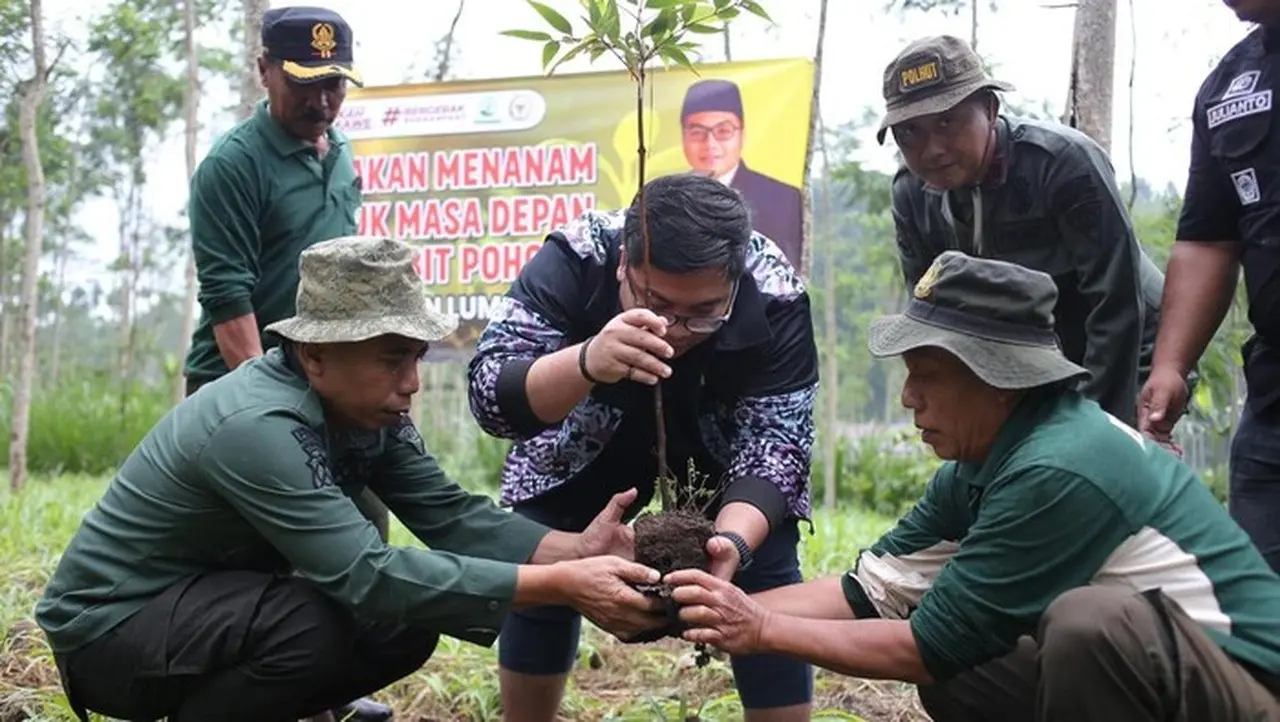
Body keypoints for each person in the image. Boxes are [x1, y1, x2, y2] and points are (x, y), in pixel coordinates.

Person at [35, 236, 667, 722]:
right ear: (314, 356)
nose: (412, 382)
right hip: (111, 631)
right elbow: (364, 574)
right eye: (392, 360)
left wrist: (573, 551)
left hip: (206, 603)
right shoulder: (257, 424)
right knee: (314, 622)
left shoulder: (366, 409)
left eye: (417, 358)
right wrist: (561, 585)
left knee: (406, 622)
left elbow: (447, 513)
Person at [665, 250, 1280, 721]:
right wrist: (688, 610)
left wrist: (762, 629)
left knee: (1087, 625)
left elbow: (925, 645)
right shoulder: (986, 463)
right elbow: (868, 590)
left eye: (927, 375)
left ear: (1002, 380)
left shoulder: (1059, 466)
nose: (908, 398)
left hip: (1248, 686)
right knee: (972, 670)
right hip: (1173, 684)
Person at [466, 172, 818, 722]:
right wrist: (586, 361)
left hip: (718, 445)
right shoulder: (575, 258)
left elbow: (776, 445)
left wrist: (732, 545)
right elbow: (492, 395)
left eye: (703, 312)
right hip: (582, 434)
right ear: (623, 262)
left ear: (733, 282)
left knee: (764, 565)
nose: (675, 330)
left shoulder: (774, 290)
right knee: (546, 544)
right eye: (656, 302)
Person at [183, 15, 395, 711]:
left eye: (335, 84)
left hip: (326, 378)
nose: (323, 101)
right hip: (243, 379)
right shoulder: (232, 165)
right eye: (305, 83)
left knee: (362, 526)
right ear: (263, 69)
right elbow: (229, 302)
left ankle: (332, 687)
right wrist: (270, 408)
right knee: (267, 551)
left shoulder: (339, 151)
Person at [880, 34, 1183, 429]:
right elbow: (933, 317)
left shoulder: (1061, 164)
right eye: (910, 133)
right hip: (1032, 359)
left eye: (946, 121)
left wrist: (1099, 430)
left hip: (1134, 350)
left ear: (989, 109)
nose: (932, 148)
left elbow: (1116, 305)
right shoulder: (911, 194)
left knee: (1103, 468)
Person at [1138, 0, 1280, 574]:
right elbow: (1208, 240)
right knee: (1261, 614)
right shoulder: (1227, 90)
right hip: (1274, 400)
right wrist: (1170, 365)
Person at [680, 78, 805, 271]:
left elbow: (787, 273)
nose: (710, 143)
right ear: (683, 136)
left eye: (723, 131)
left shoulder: (783, 199)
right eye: (697, 132)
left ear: (742, 135)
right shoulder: (667, 196)